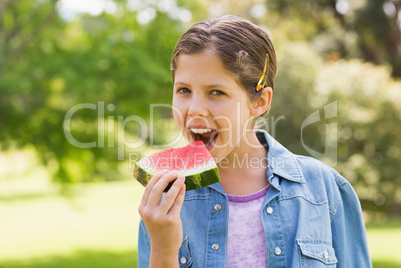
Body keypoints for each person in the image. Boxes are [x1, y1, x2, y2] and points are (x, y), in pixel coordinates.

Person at [137, 15, 372, 267]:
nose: (194, 109)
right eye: (184, 90)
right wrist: (163, 249)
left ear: (259, 102)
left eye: (216, 92)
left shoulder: (325, 189)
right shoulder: (166, 202)